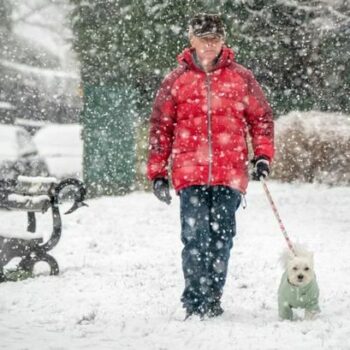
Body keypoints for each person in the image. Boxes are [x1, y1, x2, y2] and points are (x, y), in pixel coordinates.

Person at [147, 13, 274, 319]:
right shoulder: (175, 80)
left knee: (221, 239)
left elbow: (261, 119)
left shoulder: (241, 77)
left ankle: (213, 298)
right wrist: (157, 173)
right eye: (203, 39)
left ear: (223, 41)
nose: (209, 45)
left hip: (229, 174)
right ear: (191, 40)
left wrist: (263, 155)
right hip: (190, 174)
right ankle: (193, 301)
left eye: (215, 39)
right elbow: (160, 128)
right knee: (194, 238)